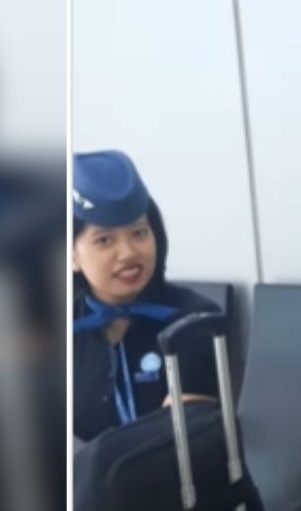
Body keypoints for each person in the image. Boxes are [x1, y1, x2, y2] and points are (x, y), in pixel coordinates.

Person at [72, 150, 222, 441]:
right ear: (72, 256)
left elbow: (177, 444)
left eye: (139, 233)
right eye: (104, 240)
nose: (128, 253)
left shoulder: (194, 321)